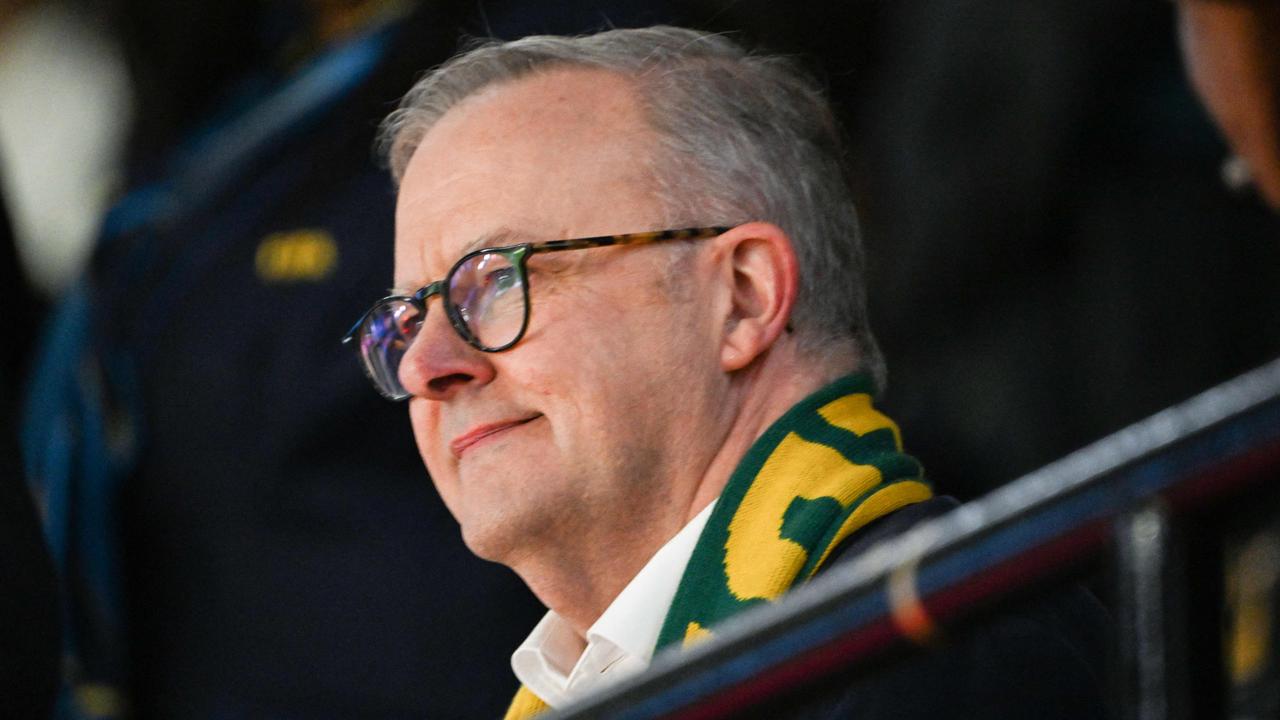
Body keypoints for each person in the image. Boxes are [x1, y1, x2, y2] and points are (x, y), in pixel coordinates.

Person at [346, 26, 1110, 718]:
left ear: (742, 297)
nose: (425, 365)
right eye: (406, 318)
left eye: (496, 281)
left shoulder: (951, 648)